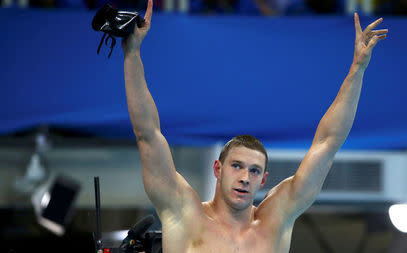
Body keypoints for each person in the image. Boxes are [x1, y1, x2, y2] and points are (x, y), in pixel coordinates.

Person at [121, 0, 388, 252]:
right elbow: (147, 135)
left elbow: (328, 142)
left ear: (263, 180)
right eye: (236, 166)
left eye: (254, 170)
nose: (245, 178)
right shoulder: (184, 213)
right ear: (218, 168)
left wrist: (357, 69)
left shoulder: (275, 220)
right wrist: (132, 53)